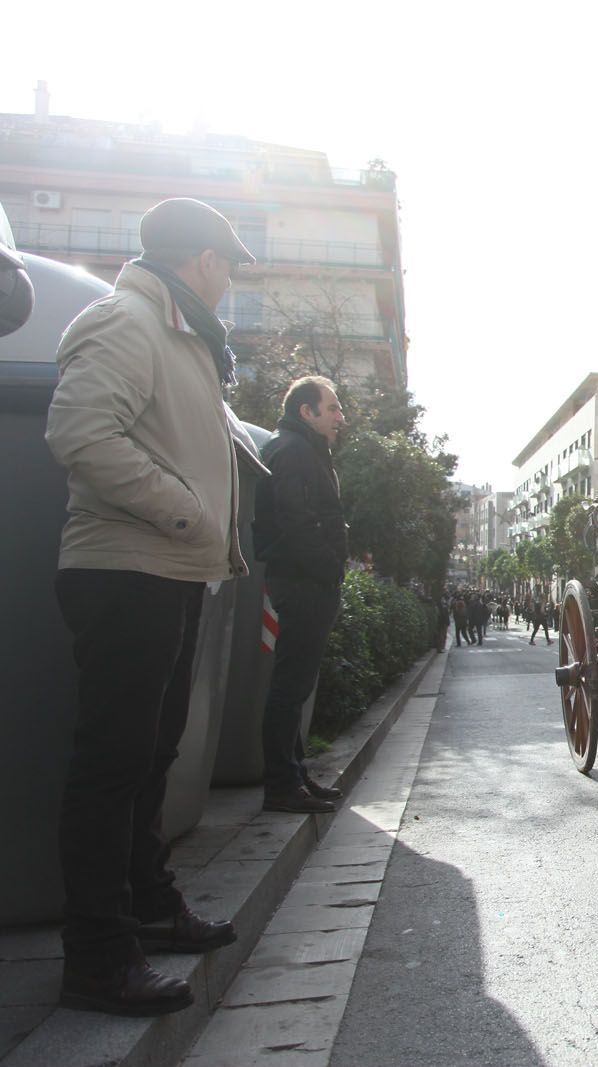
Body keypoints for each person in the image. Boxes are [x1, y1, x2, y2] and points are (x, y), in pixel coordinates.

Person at [43, 197, 254, 1016]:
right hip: (126, 568)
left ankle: (151, 905)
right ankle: (96, 954)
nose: (231, 281)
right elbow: (81, 435)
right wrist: (186, 510)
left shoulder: (183, 337)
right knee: (114, 763)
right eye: (228, 265)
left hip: (169, 570)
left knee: (151, 755)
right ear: (203, 260)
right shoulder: (127, 321)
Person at [253, 376, 349, 815]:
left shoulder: (302, 449)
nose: (339, 415)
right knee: (290, 688)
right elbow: (295, 521)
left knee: (296, 686)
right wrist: (329, 564)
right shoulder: (292, 450)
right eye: (331, 407)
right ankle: (281, 785)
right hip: (303, 580)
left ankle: (294, 773)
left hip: (308, 579)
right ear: (306, 412)